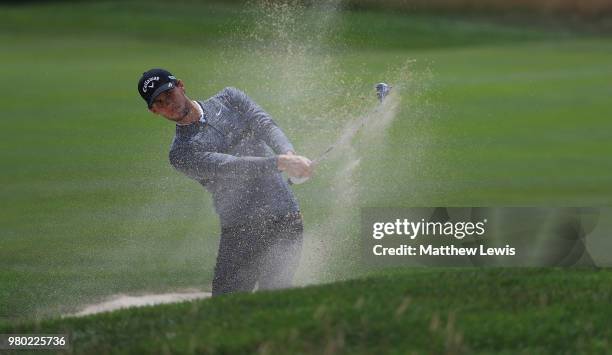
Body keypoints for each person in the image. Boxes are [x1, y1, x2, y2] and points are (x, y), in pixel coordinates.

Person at [137, 68, 313, 296]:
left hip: (285, 216)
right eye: (159, 103)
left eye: (169, 94)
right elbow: (231, 167)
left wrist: (289, 154)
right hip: (241, 230)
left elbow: (264, 124)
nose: (168, 104)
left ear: (181, 86)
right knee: (228, 309)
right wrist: (282, 162)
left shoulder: (230, 98)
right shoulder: (181, 153)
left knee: (275, 299)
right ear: (154, 111)